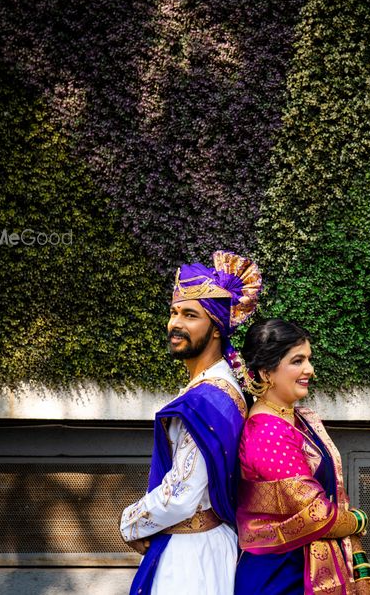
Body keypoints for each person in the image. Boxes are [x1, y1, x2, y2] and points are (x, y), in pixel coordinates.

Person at [120, 251, 261, 595]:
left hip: (191, 559)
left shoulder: (208, 398)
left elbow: (183, 493)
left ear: (216, 328)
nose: (175, 324)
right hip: (203, 547)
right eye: (173, 313)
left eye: (189, 315)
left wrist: (130, 523)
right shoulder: (217, 387)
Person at [235, 318, 370, 595]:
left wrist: (359, 562)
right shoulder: (267, 431)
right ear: (265, 372)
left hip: (305, 568)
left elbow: (335, 499)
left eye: (309, 359)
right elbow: (317, 514)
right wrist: (359, 520)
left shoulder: (297, 419)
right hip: (281, 576)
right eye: (297, 361)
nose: (309, 369)